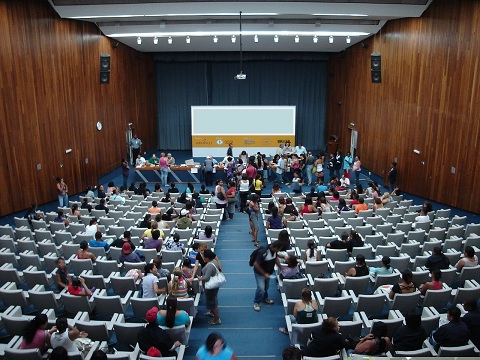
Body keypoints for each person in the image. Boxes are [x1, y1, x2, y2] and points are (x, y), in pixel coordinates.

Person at [252, 240, 285, 311]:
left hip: (268, 273)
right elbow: (256, 264)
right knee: (261, 288)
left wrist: (280, 266)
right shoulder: (264, 252)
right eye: (279, 249)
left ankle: (264, 298)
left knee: (266, 287)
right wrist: (264, 274)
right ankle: (256, 303)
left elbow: (275, 258)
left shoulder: (274, 251)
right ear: (276, 247)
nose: (279, 250)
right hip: (260, 273)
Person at [198, 250, 222, 325]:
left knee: (212, 302)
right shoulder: (214, 261)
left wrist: (200, 278)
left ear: (208, 257)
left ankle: (217, 319)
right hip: (214, 286)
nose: (203, 258)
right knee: (213, 299)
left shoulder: (210, 265)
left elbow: (206, 278)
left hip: (211, 286)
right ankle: (212, 312)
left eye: (204, 257)